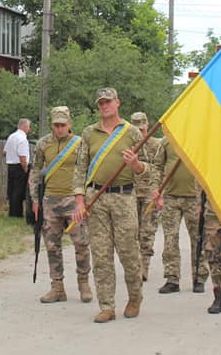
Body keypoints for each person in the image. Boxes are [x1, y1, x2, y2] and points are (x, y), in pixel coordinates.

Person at [72, 87, 147, 324]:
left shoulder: (132, 132)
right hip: (97, 198)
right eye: (101, 103)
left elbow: (150, 168)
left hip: (124, 198)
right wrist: (79, 200)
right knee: (101, 254)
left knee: (128, 253)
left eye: (108, 102)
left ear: (118, 103)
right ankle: (106, 305)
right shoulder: (89, 133)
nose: (104, 106)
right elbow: (80, 168)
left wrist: (136, 165)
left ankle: (134, 299)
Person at [28, 107, 92, 303]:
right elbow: (36, 171)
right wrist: (35, 200)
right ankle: (57, 287)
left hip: (73, 200)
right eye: (56, 125)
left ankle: (84, 283)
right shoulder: (43, 144)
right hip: (50, 201)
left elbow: (87, 171)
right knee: (52, 245)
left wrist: (85, 199)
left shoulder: (80, 144)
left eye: (63, 125)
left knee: (81, 243)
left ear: (69, 124)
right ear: (51, 124)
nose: (59, 129)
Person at [151, 134, 208, 294]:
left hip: (195, 199)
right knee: (170, 239)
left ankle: (199, 277)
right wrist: (156, 189)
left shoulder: (201, 141)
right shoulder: (167, 141)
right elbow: (157, 166)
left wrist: (206, 198)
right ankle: (172, 278)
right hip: (170, 197)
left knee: (198, 239)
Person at [130, 112, 163, 282]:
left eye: (142, 129)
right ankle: (134, 265)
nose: (140, 133)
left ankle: (144, 265)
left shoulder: (157, 144)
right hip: (131, 192)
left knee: (147, 231)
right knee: (132, 231)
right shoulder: (128, 145)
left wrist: (159, 194)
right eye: (136, 129)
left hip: (150, 192)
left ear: (147, 126)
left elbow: (161, 169)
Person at [3, 118, 31, 218]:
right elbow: (22, 156)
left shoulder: (11, 136)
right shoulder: (22, 139)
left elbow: (4, 152)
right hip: (20, 165)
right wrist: (25, 168)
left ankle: (12, 212)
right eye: (28, 126)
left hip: (11, 165)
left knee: (12, 189)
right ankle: (17, 213)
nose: (29, 129)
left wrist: (11, 155)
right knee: (19, 190)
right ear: (24, 126)